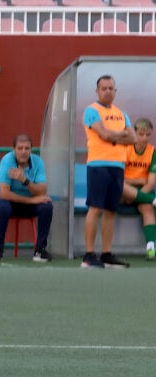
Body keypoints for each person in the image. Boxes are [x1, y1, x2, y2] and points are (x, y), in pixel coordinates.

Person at [81, 75, 136, 269]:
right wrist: (120, 135)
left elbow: (133, 138)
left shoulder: (121, 113)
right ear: (97, 91)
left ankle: (106, 254)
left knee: (111, 211)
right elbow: (103, 134)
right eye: (103, 88)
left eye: (111, 88)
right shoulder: (91, 111)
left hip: (117, 166)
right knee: (95, 208)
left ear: (115, 91)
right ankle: (88, 255)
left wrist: (115, 137)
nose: (108, 91)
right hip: (98, 165)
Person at [0, 134, 53, 262]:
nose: (24, 152)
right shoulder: (7, 160)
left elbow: (42, 190)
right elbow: (4, 194)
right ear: (14, 149)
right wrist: (31, 200)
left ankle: (40, 250)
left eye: (27, 148)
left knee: (47, 206)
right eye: (20, 148)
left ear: (31, 149)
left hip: (23, 202)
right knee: (3, 207)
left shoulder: (38, 161)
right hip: (1, 199)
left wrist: (25, 180)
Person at [120, 118, 156, 260]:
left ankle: (151, 248)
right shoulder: (125, 149)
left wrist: (135, 196)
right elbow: (118, 179)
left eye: (148, 135)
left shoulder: (153, 152)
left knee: (147, 209)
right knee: (118, 187)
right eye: (141, 134)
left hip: (143, 191)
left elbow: (151, 183)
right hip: (123, 190)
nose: (144, 138)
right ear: (134, 133)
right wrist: (137, 181)